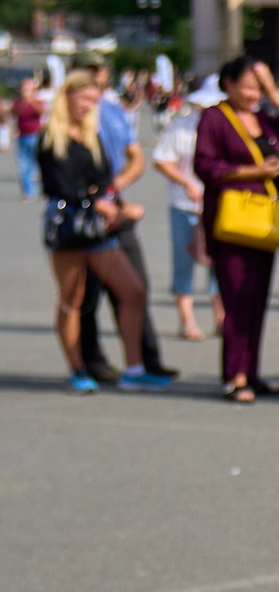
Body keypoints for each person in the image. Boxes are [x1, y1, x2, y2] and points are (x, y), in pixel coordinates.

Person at [191, 55, 279, 402]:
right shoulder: (214, 118)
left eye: (258, 86)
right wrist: (253, 173)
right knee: (236, 297)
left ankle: (252, 372)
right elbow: (205, 165)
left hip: (264, 220)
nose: (253, 93)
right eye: (248, 86)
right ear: (227, 84)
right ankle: (235, 375)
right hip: (231, 219)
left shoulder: (263, 118)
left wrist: (274, 91)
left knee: (257, 299)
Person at [38, 71, 165, 393]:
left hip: (98, 227)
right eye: (84, 99)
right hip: (67, 225)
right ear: (67, 96)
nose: (88, 106)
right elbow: (59, 186)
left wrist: (115, 203)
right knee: (72, 299)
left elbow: (103, 181)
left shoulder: (90, 135)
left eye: (94, 101)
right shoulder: (51, 137)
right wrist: (99, 203)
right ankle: (77, 368)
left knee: (133, 291)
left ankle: (134, 369)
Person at [74, 55, 172, 385]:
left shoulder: (112, 110)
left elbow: (136, 157)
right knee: (87, 294)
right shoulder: (70, 116)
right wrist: (98, 197)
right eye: (89, 75)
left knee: (135, 286)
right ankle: (91, 360)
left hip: (116, 206)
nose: (96, 82)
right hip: (85, 214)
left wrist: (114, 188)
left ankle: (146, 359)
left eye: (99, 76)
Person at [151, 77, 226, 342]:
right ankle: (187, 320)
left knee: (220, 263)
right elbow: (161, 160)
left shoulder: (228, 129)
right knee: (184, 261)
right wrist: (185, 182)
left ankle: (221, 317)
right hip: (184, 204)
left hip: (219, 205)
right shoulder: (181, 127)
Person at [13, 77, 45, 198]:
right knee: (23, 164)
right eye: (23, 89)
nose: (24, 92)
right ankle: (28, 191)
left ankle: (41, 188)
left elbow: (42, 112)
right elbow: (14, 115)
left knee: (36, 164)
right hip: (22, 136)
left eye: (27, 89)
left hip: (35, 136)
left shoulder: (37, 101)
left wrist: (31, 101)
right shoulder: (18, 102)